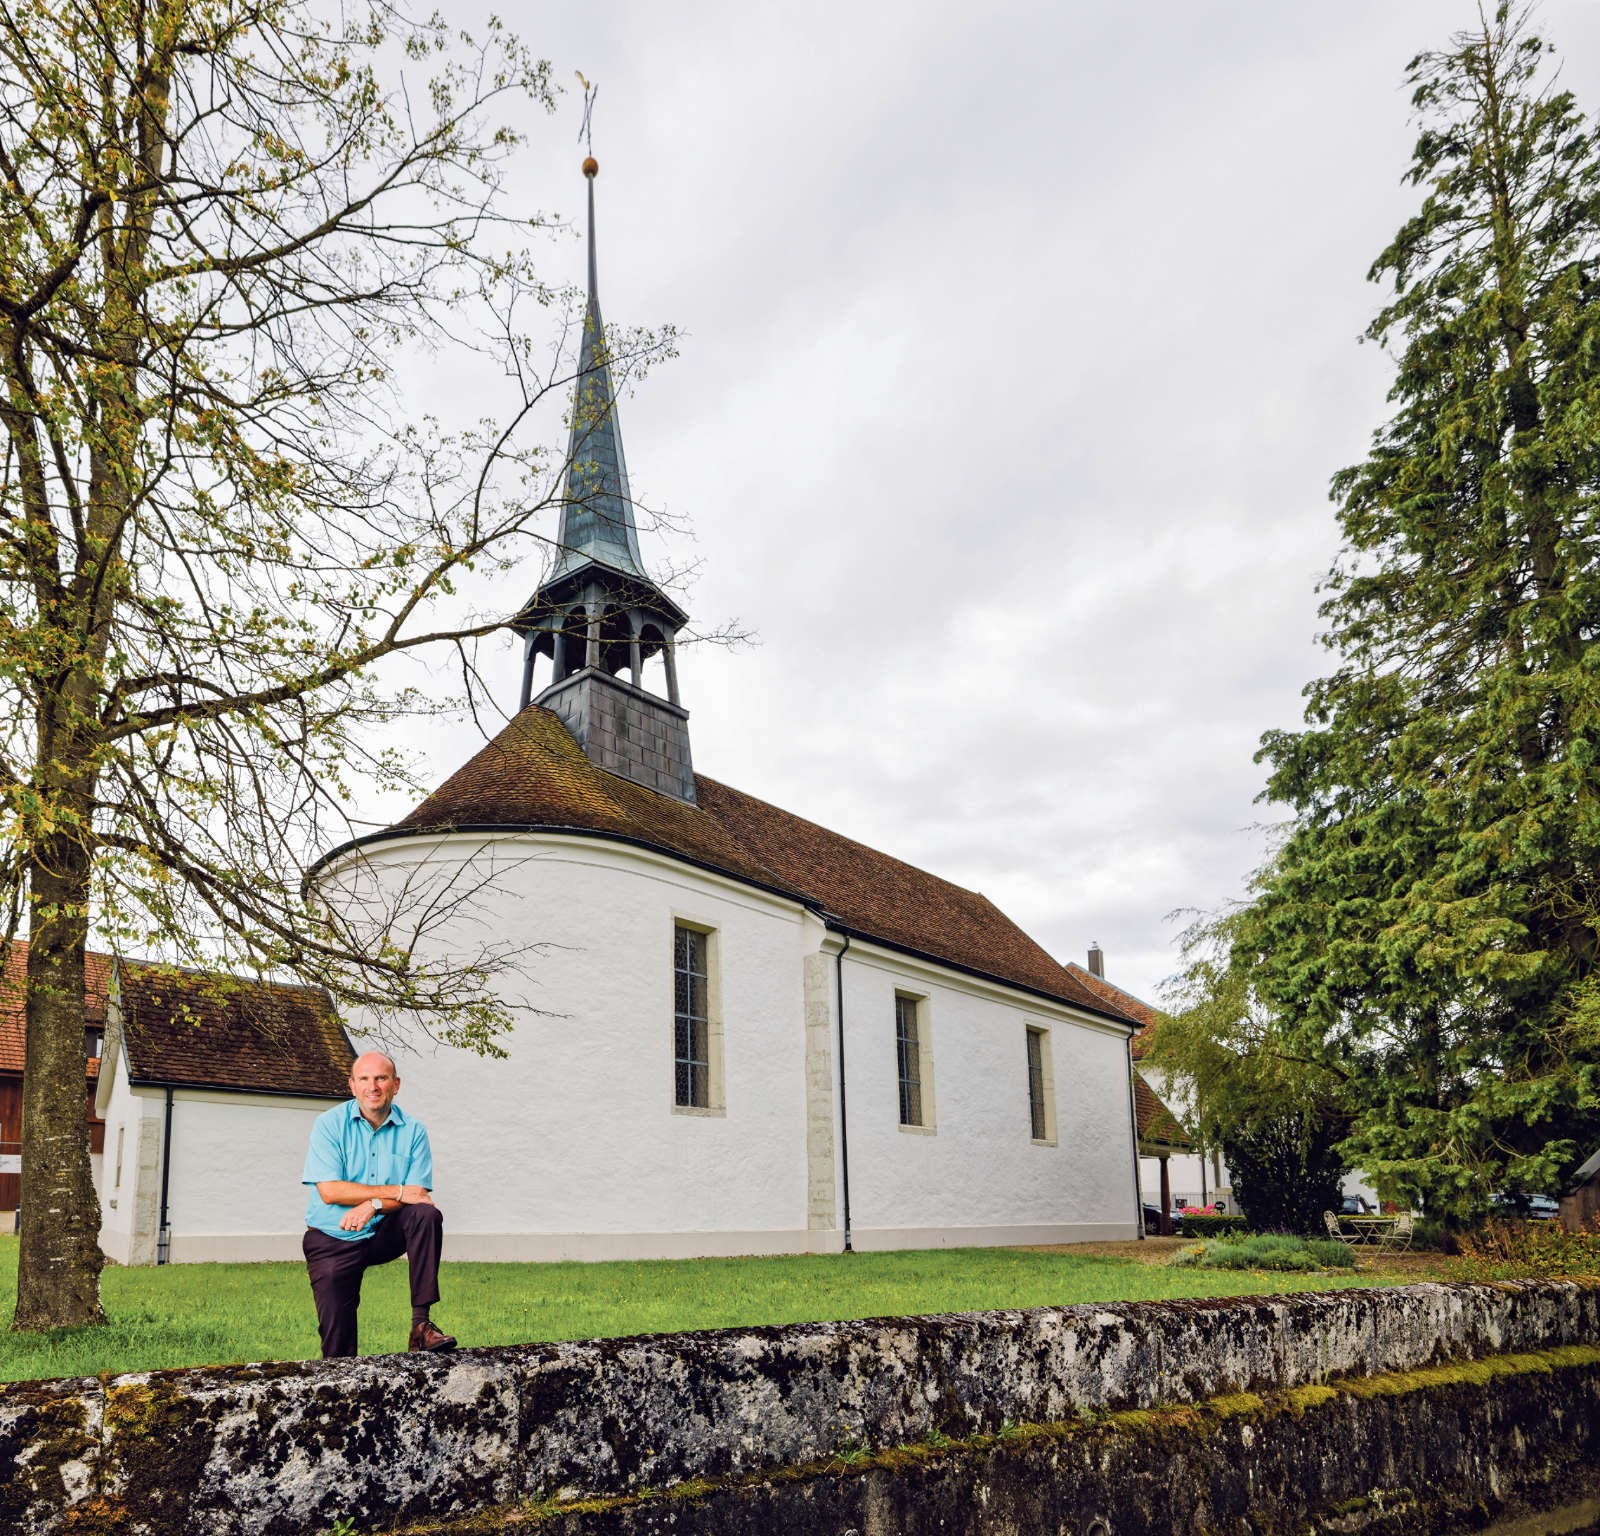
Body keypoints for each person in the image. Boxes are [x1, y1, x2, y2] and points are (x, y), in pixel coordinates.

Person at [301, 1050, 457, 1357]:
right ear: (353, 1086)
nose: (373, 1086)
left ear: (395, 1085)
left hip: (383, 1232)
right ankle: (341, 1389)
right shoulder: (329, 1125)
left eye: (381, 1078)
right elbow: (330, 1191)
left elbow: (418, 1196)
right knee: (337, 1346)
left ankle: (421, 1327)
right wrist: (392, 1193)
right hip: (333, 1236)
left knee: (426, 1215)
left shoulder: (413, 1131)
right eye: (365, 1079)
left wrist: (373, 1203)